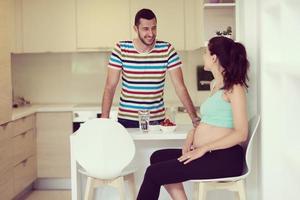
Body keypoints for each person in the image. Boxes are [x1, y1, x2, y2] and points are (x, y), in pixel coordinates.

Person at [137, 36, 250, 200]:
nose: (203, 56)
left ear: (214, 58)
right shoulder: (215, 85)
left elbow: (241, 133)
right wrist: (192, 135)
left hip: (225, 159)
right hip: (210, 154)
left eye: (205, 52)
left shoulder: (235, 88)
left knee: (153, 173)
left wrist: (203, 148)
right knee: (158, 157)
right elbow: (212, 121)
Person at [101, 8, 199, 128]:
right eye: (145, 29)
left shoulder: (167, 49)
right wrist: (104, 121)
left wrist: (194, 118)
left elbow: (180, 87)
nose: (151, 33)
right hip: (127, 120)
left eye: (154, 28)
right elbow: (110, 87)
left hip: (156, 121)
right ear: (136, 29)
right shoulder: (121, 49)